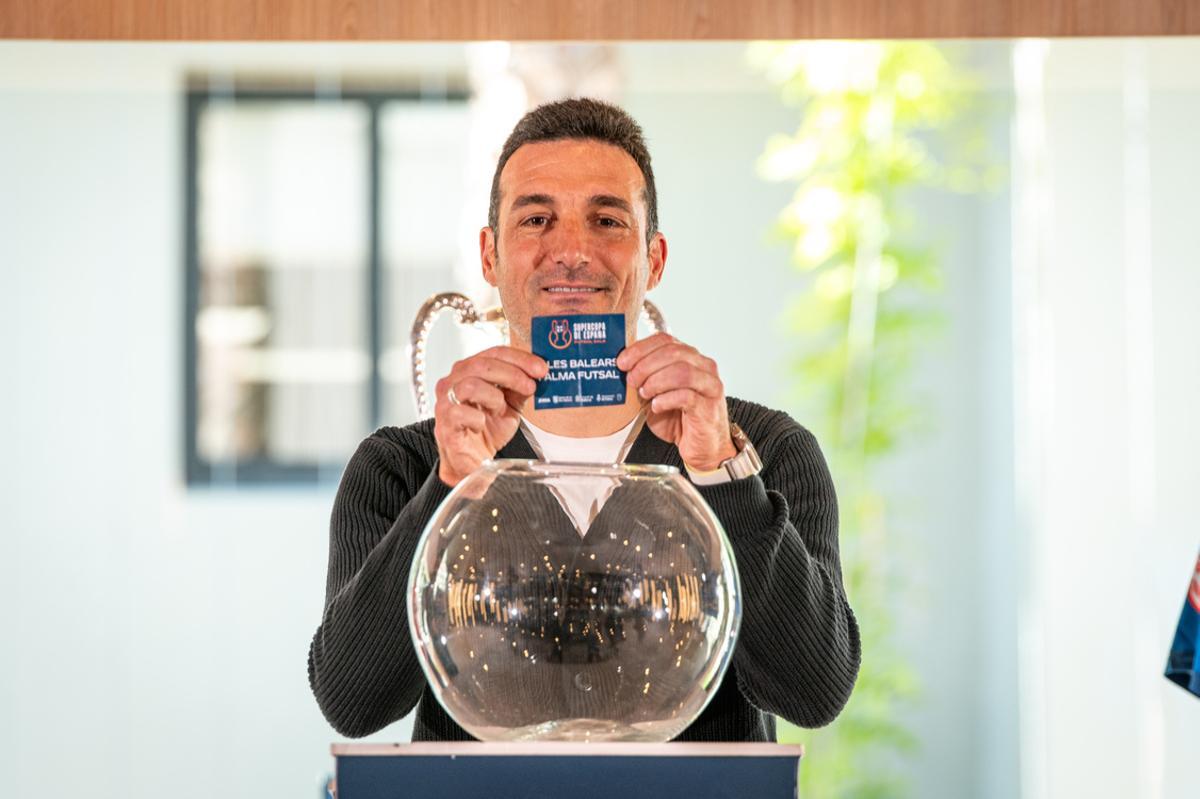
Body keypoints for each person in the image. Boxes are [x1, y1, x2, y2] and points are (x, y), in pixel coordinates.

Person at [308, 98, 860, 742]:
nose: (571, 251)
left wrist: (719, 473)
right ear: (490, 256)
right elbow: (353, 700)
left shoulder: (763, 450)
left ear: (653, 259)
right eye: (537, 218)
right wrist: (451, 484)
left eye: (606, 220)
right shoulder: (401, 467)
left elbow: (815, 689)